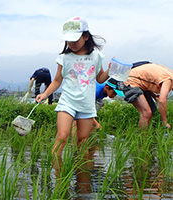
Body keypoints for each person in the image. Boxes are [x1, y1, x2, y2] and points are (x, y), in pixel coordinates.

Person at [35, 17, 110, 171]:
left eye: (75, 40)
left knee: (82, 141)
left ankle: (82, 182)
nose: (72, 43)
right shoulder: (64, 58)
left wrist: (111, 71)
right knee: (62, 136)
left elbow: (100, 78)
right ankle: (58, 179)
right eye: (69, 40)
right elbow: (56, 81)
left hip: (86, 105)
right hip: (67, 102)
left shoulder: (96, 56)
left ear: (86, 36)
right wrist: (44, 94)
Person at [109, 62, 173, 129]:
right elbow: (162, 101)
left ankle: (145, 135)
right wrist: (164, 121)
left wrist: (153, 95)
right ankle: (142, 138)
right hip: (130, 81)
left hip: (138, 81)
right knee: (146, 112)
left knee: (151, 109)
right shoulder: (168, 80)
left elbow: (146, 79)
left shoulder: (169, 73)